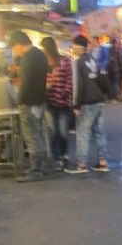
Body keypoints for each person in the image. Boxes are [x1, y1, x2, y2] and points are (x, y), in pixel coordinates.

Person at [8, 30, 49, 182]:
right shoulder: (40, 54)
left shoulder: (26, 58)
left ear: (19, 44)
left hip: (29, 102)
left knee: (31, 136)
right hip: (40, 101)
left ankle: (35, 169)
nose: (14, 51)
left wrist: (20, 100)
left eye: (14, 47)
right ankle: (42, 166)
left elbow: (25, 83)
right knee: (39, 134)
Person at [67, 34, 109, 173]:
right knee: (99, 132)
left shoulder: (78, 63)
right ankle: (103, 162)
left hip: (86, 101)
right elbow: (102, 81)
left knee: (82, 133)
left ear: (79, 48)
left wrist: (76, 105)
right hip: (98, 100)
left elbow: (78, 86)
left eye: (73, 47)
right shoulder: (93, 60)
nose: (72, 49)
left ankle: (82, 164)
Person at [41, 36, 73, 171]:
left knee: (63, 131)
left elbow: (71, 79)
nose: (43, 50)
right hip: (48, 102)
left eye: (44, 47)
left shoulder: (64, 61)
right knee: (53, 132)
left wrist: (65, 92)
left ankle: (64, 154)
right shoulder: (43, 63)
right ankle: (57, 158)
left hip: (63, 102)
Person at [106, 37, 122, 101]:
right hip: (116, 69)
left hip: (109, 68)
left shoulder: (108, 50)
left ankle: (110, 96)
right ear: (115, 43)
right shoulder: (117, 50)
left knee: (110, 83)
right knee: (115, 83)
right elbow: (120, 60)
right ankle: (115, 97)